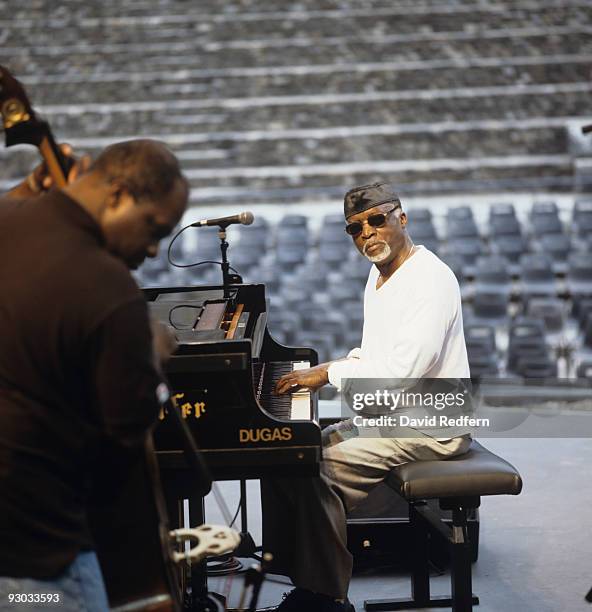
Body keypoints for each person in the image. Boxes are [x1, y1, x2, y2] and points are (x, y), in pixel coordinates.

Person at [264, 182, 473, 612]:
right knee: (288, 455)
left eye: (377, 221)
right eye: (355, 229)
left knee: (316, 472)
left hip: (431, 426)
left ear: (402, 218)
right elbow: (378, 355)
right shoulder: (380, 276)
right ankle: (306, 578)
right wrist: (334, 367)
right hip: (394, 416)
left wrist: (328, 373)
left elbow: (399, 374)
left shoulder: (429, 280)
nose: (368, 234)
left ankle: (325, 597)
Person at [0, 139, 189, 611]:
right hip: (42, 553)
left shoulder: (8, 221)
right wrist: (153, 350)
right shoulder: (108, 287)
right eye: (153, 228)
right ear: (118, 194)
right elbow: (125, 434)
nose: (150, 250)